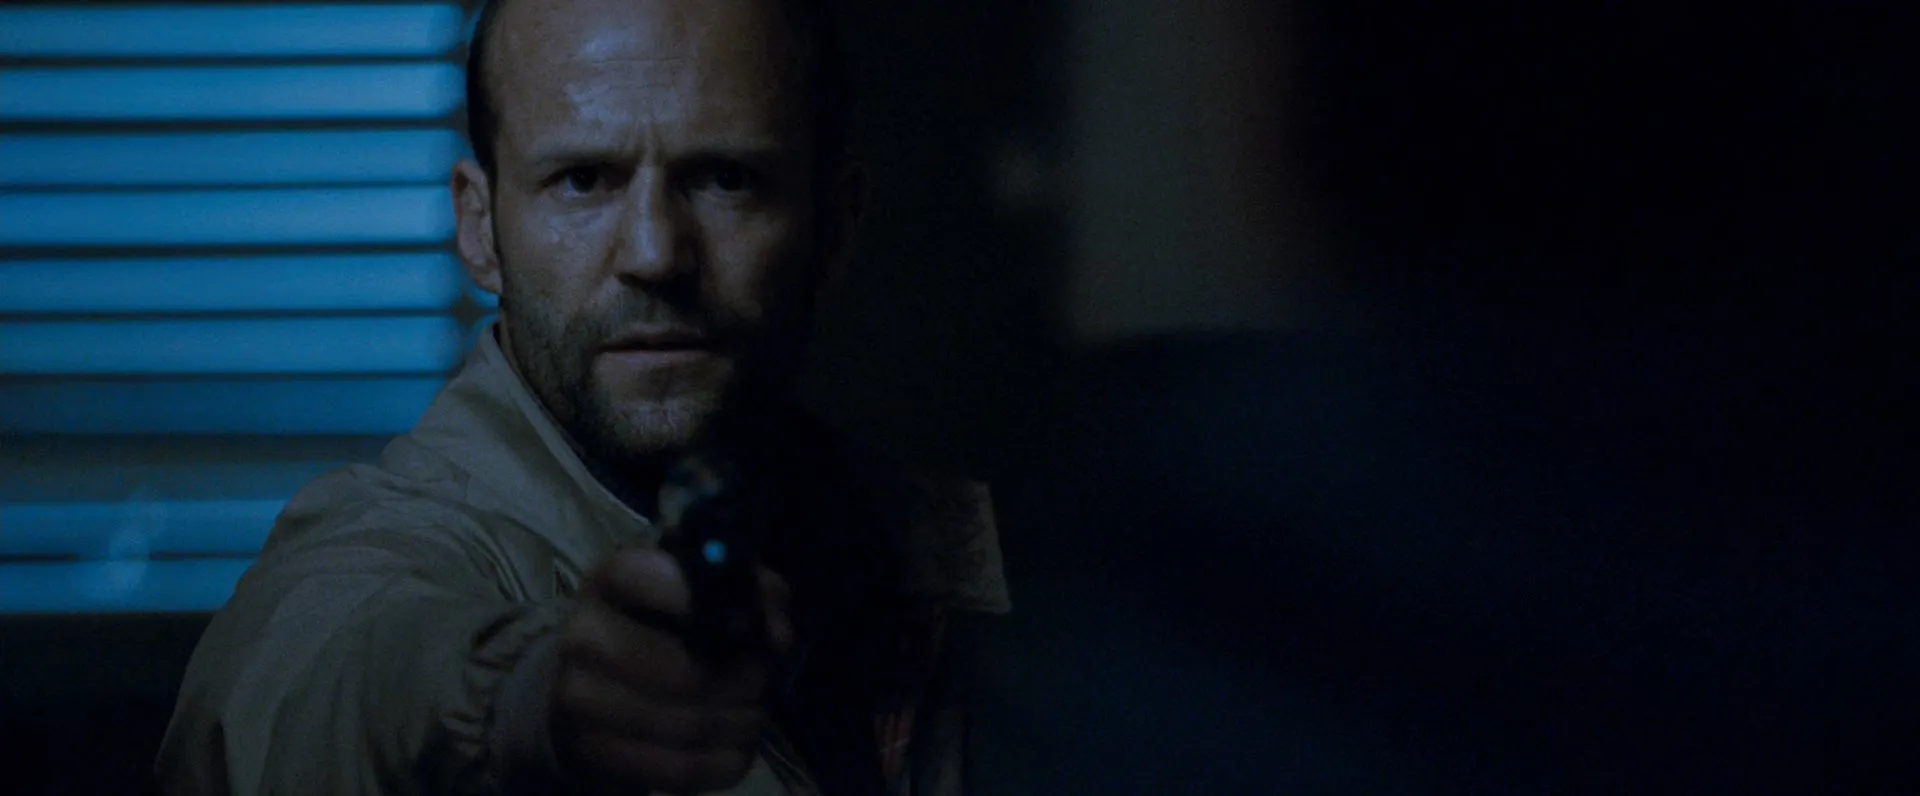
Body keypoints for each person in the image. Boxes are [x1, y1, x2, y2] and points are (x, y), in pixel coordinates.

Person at [156, 0, 1008, 793]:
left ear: (836, 224)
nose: (654, 253)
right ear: (479, 229)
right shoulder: (397, 545)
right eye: (583, 180)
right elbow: (310, 682)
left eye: (725, 178)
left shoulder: (912, 549)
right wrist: (529, 699)